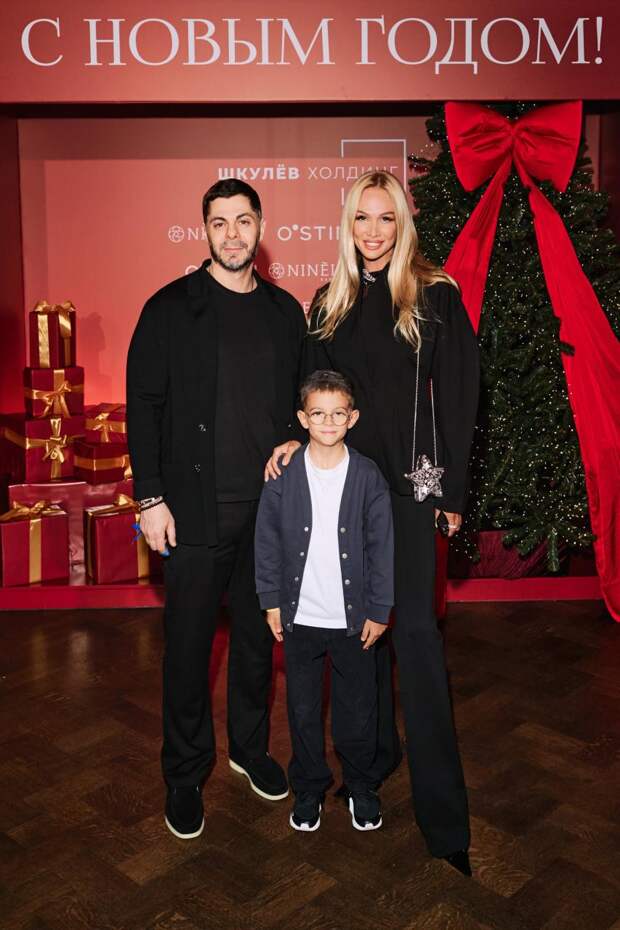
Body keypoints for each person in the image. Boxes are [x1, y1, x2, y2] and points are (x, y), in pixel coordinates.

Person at [266, 171, 479, 875]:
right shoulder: (329, 303)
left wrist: (449, 490)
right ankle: (378, 758)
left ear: (403, 224)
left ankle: (445, 822)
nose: (374, 231)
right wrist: (294, 441)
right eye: (363, 217)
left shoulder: (435, 295)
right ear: (348, 224)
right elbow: (313, 393)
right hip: (349, 496)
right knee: (365, 633)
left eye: (387, 218)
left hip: (414, 494)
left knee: (414, 637)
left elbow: (459, 396)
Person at [127, 178, 307, 839]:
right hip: (193, 513)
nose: (232, 233)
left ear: (261, 226)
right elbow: (143, 406)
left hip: (268, 513)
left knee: (259, 642)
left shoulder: (286, 313)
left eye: (243, 220)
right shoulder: (170, 309)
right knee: (188, 650)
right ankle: (184, 774)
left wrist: (297, 438)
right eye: (219, 222)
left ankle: (249, 750)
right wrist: (150, 498)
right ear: (204, 229)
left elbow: (304, 399)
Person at [255, 369, 394, 832]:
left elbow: (382, 548)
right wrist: (271, 600)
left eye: (338, 414)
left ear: (352, 417)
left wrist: (379, 609)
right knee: (302, 709)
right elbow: (266, 541)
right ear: (303, 419)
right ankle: (309, 786)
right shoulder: (283, 473)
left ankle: (360, 785)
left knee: (359, 710)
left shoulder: (368, 476)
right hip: (301, 619)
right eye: (318, 414)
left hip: (353, 622)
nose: (328, 422)